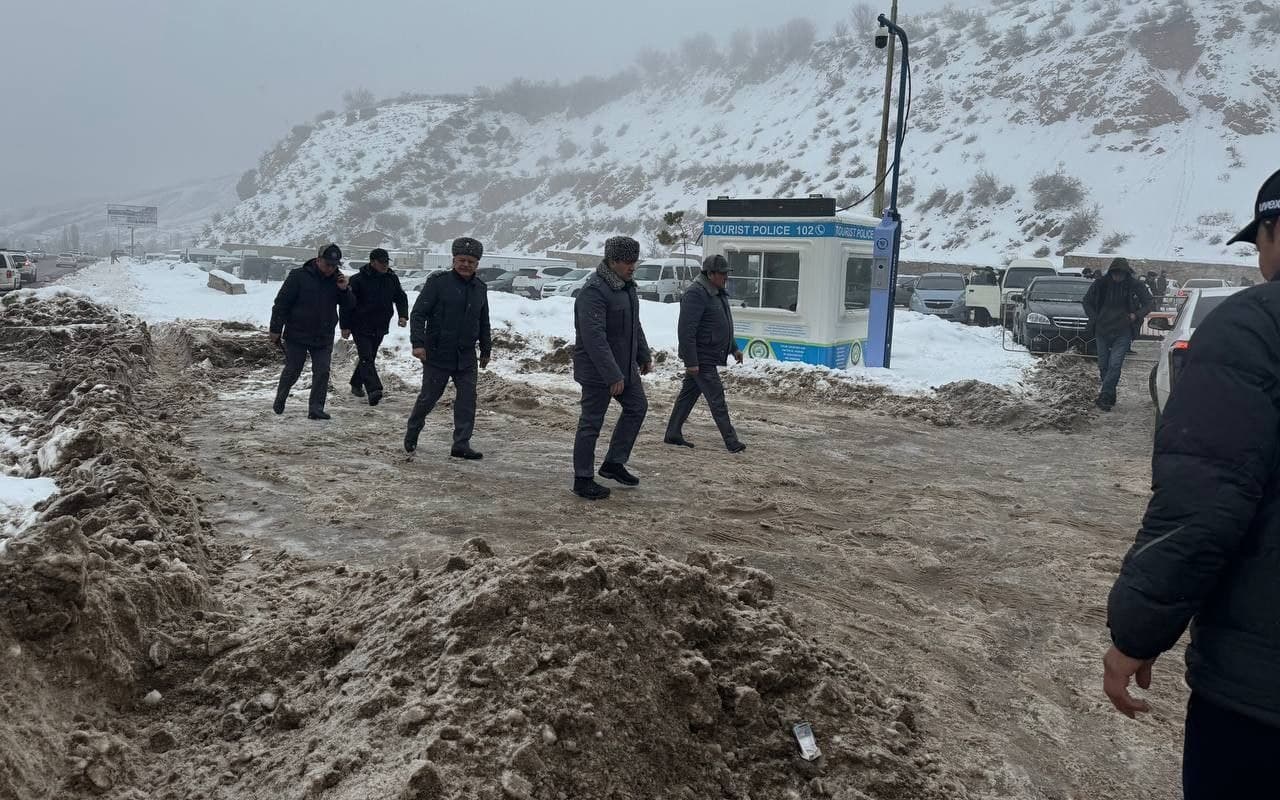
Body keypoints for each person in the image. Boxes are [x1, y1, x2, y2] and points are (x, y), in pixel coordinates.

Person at [1102, 168, 1280, 799]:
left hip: (1261, 703)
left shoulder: (1256, 327)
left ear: (1274, 230)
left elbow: (1204, 505)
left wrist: (1137, 633)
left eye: (1258, 241)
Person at [571, 236, 652, 501]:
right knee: (591, 423)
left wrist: (643, 353)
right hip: (599, 371)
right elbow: (594, 338)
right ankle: (583, 478)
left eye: (634, 262)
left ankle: (613, 463)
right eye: (628, 262)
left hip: (624, 366)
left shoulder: (626, 287)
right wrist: (612, 374)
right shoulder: (594, 291)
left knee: (637, 407)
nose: (632, 267)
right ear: (613, 261)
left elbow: (634, 325)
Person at [404, 237, 491, 459]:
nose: (466, 265)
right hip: (437, 353)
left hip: (466, 355)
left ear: (477, 265)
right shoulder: (438, 283)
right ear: (453, 260)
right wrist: (418, 344)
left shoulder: (480, 288)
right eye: (462, 260)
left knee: (467, 401)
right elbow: (418, 314)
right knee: (428, 398)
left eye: (471, 262)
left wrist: (486, 348)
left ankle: (461, 444)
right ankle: (413, 429)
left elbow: (483, 320)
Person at [664, 254, 746, 452]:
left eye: (727, 274)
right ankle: (731, 442)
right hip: (701, 357)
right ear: (710, 274)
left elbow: (723, 324)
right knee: (717, 399)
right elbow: (686, 331)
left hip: (706, 355)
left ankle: (673, 433)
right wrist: (691, 361)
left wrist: (733, 348)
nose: (726, 277)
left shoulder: (716, 292)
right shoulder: (696, 294)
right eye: (722, 274)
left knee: (688, 395)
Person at [269, 244, 354, 420]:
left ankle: (316, 408)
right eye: (327, 264)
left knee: (322, 371)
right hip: (297, 333)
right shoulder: (298, 276)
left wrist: (344, 290)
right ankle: (281, 396)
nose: (331, 268)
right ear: (318, 260)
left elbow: (349, 305)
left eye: (334, 265)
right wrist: (275, 329)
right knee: (293, 369)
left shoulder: (338, 281)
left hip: (324, 334)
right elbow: (281, 304)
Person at [1082, 257, 1152, 411]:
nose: (1118, 277)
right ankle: (1110, 394)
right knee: (1103, 365)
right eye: (1115, 273)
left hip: (1123, 330)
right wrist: (1094, 317)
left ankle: (1105, 396)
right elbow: (1086, 301)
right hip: (1102, 329)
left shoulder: (1135, 286)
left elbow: (1148, 303)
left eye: (1121, 274)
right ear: (1111, 273)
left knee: (1115, 364)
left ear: (1127, 273)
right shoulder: (1100, 284)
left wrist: (1136, 315)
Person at [340, 248, 408, 406]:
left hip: (380, 325)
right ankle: (374, 389)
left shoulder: (391, 279)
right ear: (372, 262)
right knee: (366, 357)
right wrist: (345, 326)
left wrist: (403, 315)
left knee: (368, 356)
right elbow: (346, 304)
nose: (385, 266)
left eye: (386, 262)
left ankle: (356, 383)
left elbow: (400, 297)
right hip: (360, 325)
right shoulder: (358, 280)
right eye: (381, 262)